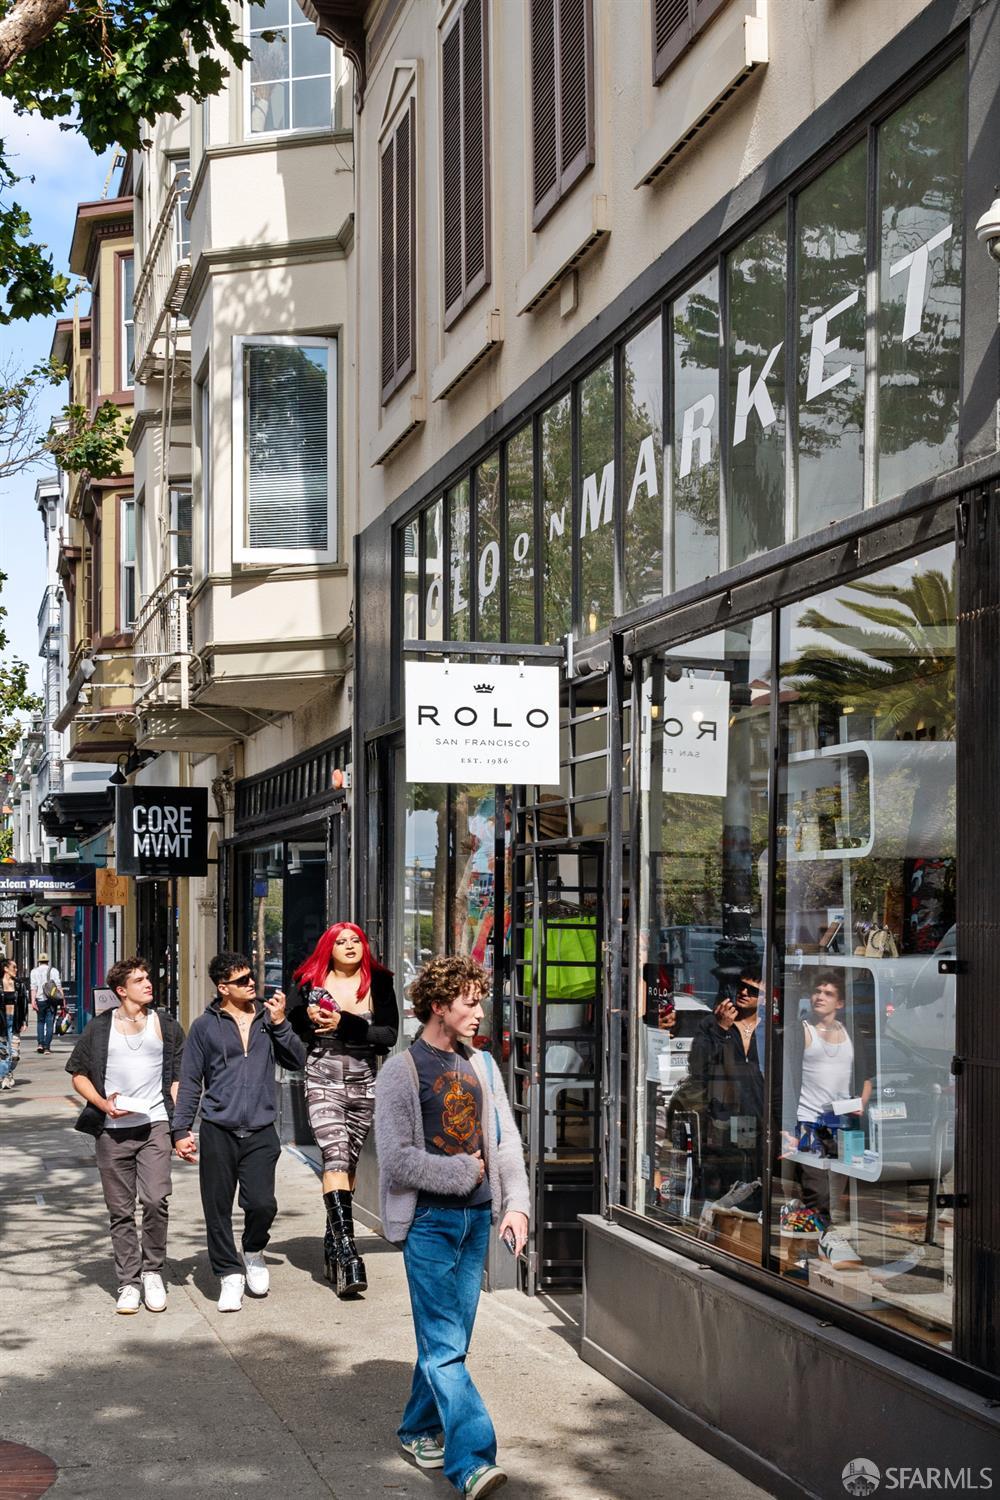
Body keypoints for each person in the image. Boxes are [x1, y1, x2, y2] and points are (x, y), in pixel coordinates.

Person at [375, 955, 529, 1500]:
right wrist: (462, 1170)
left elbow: (506, 1143)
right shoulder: (401, 1070)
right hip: (430, 1224)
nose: (480, 1012)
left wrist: (518, 1206)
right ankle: (471, 1461)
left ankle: (418, 1429)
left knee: (449, 1341)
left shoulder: (483, 1066)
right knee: (444, 1347)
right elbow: (395, 1158)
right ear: (439, 1005)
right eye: (470, 1002)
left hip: (476, 1222)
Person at [172, 951, 306, 1312]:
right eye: (243, 980)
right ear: (222, 987)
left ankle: (253, 1249)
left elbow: (298, 1060)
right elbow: (190, 1081)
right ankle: (229, 1274)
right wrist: (181, 1128)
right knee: (216, 1208)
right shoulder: (204, 1026)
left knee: (262, 1203)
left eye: (252, 977)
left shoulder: (267, 1018)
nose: (252, 984)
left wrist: (281, 1024)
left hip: (261, 1127)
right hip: (218, 1127)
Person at [67, 957, 186, 1314]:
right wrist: (102, 1103)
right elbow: (78, 1073)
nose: (148, 984)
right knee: (120, 1211)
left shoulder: (165, 1024)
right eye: (139, 980)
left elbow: (179, 1076)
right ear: (121, 990)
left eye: (148, 978)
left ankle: (152, 1271)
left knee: (154, 1200)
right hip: (112, 1130)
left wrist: (179, 1124)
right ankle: (128, 1282)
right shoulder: (100, 1028)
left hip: (155, 1124)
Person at [289, 922, 399, 1297]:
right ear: (328, 948)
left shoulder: (379, 983)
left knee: (348, 1164)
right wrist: (311, 1022)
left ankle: (332, 1245)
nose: (350, 946)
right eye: (341, 941)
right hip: (322, 1081)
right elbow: (294, 1022)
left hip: (364, 1085)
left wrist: (345, 1023)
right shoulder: (310, 980)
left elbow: (388, 1037)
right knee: (335, 1158)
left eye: (356, 940)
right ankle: (350, 1254)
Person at [782, 968, 874, 1270]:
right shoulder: (800, 1031)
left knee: (839, 1190)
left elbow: (866, 1076)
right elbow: (785, 1081)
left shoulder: (850, 1035)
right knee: (817, 1189)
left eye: (828, 993)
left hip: (843, 1125)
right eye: (817, 991)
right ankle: (826, 1242)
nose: (820, 997)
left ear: (840, 1003)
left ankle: (813, 1244)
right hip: (808, 1123)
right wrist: (786, 1127)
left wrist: (860, 1103)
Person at [687, 963, 766, 1212]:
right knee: (728, 1181)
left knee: (758, 1182)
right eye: (741, 987)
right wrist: (721, 1029)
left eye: (752, 991)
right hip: (724, 1116)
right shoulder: (712, 1024)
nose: (743, 993)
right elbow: (698, 1065)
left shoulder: (768, 1028)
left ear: (764, 998)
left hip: (760, 1115)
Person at [30, 950, 63, 1054]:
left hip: (40, 1000)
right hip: (52, 1001)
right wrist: (63, 1000)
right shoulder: (54, 971)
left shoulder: (34, 971)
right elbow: (58, 987)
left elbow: (33, 988)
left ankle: (40, 1044)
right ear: (48, 961)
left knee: (40, 1022)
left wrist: (33, 1001)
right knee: (49, 1023)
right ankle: (47, 1047)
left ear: (39, 961)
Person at [1, 959, 27, 1089]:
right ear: (6, 969)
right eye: (14, 967)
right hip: (2, 1022)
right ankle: (4, 1077)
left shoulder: (19, 985)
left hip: (15, 1021)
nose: (16, 970)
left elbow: (23, 1005)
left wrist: (24, 1021)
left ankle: (8, 1072)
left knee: (15, 1055)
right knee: (4, 1052)